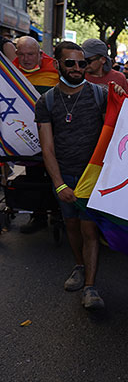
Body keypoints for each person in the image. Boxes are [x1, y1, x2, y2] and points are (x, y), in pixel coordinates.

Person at [35, 41, 125, 310]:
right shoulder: (46, 101)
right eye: (71, 63)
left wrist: (125, 98)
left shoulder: (100, 95)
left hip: (93, 178)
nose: (77, 68)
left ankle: (90, 286)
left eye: (82, 63)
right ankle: (78, 265)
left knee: (89, 229)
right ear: (57, 63)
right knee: (71, 226)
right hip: (64, 176)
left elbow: (127, 120)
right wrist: (59, 183)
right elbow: (47, 148)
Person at [12, 36, 61, 234]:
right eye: (21, 54)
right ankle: (38, 216)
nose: (26, 59)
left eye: (30, 54)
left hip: (54, 133)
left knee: (55, 174)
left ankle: (58, 213)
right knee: (33, 175)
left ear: (40, 54)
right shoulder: (11, 72)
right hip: (26, 134)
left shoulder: (55, 71)